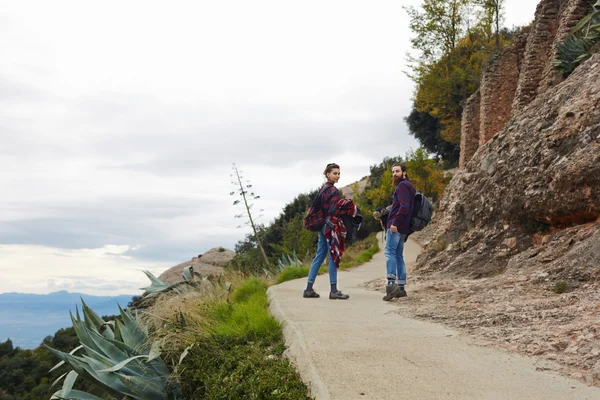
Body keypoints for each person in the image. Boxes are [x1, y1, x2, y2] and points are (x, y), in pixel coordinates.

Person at [303, 163, 350, 300]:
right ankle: (334, 291)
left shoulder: (323, 189)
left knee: (319, 256)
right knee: (333, 257)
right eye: (335, 173)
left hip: (321, 225)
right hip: (329, 226)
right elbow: (333, 211)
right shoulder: (333, 191)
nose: (337, 176)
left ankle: (309, 289)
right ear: (327, 174)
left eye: (339, 173)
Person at [382, 163, 415, 301]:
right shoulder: (409, 187)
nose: (394, 174)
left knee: (389, 253)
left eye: (397, 171)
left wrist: (395, 222)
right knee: (398, 256)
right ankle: (401, 288)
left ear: (404, 173)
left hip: (396, 226)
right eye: (393, 171)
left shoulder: (402, 186)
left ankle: (391, 285)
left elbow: (404, 206)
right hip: (404, 227)